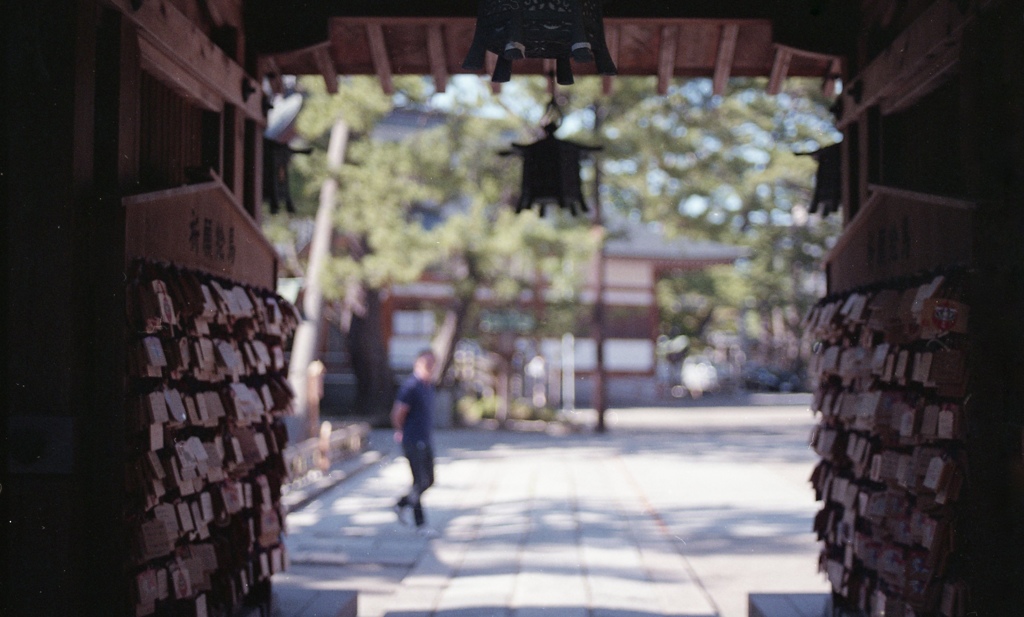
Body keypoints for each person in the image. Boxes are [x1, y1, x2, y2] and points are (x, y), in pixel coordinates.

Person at [391, 349, 439, 537]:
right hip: (412, 439)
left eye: (432, 364)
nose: (430, 367)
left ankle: (401, 504)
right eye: (426, 363)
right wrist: (400, 431)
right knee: (419, 481)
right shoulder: (410, 386)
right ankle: (421, 524)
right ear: (417, 363)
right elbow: (398, 413)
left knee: (429, 480)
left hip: (425, 439)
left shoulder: (428, 386)